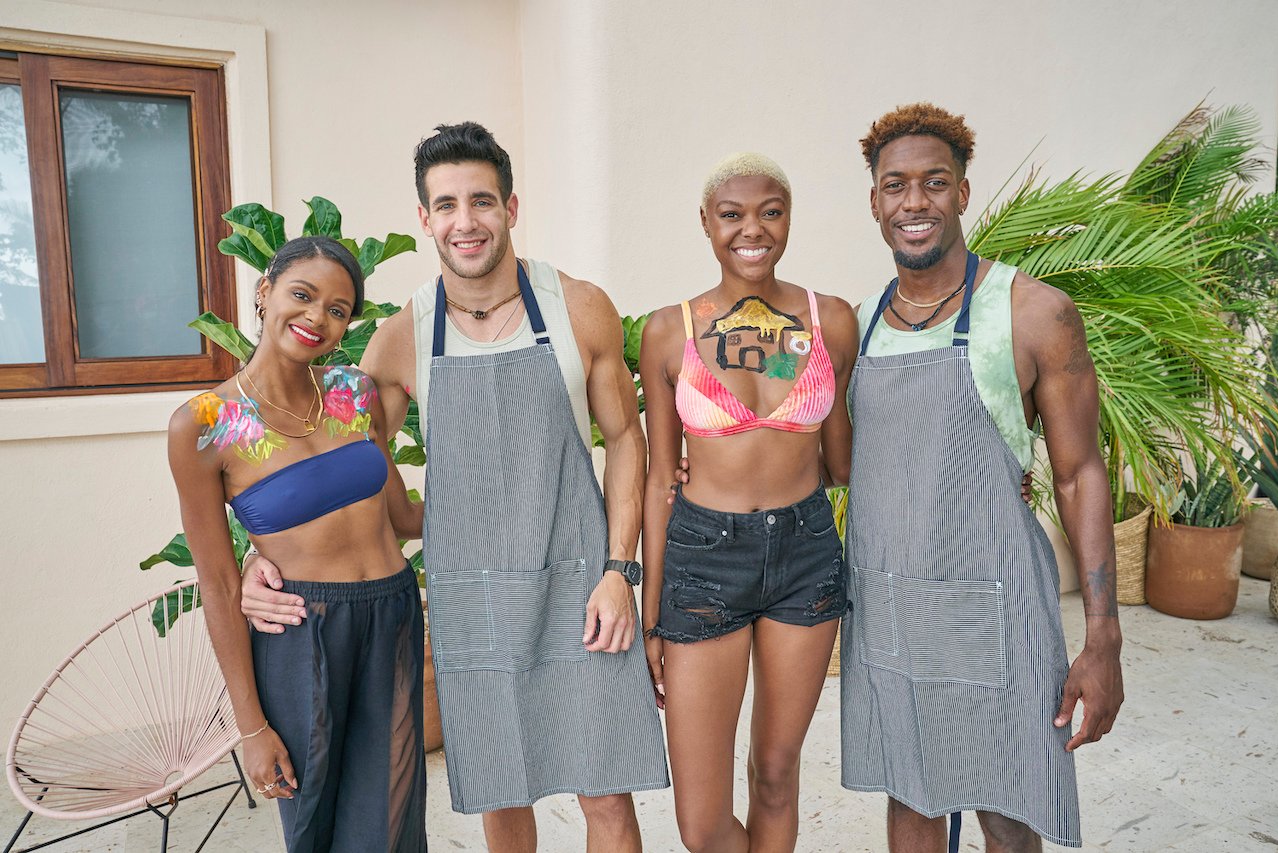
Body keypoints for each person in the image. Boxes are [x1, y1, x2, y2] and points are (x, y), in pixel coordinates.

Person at [240, 122, 669, 853]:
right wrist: (262, 551)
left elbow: (627, 440)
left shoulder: (579, 306)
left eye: (480, 201)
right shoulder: (405, 332)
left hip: (581, 587)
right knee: (504, 803)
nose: (464, 221)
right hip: (475, 598)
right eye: (446, 205)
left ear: (509, 207)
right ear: (425, 219)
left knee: (607, 799)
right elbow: (340, 463)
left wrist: (619, 570)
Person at [840, 103, 1124, 852]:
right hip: (890, 605)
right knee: (910, 794)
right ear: (874, 201)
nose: (914, 202)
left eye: (934, 182)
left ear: (963, 192)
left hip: (995, 607)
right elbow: (826, 452)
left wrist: (1104, 639)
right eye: (895, 185)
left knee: (1008, 802)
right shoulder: (860, 322)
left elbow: (1079, 472)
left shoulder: (1031, 313)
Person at [167, 235, 427, 852]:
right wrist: (251, 727)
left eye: (337, 310)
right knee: (312, 824)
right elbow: (221, 582)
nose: (316, 318)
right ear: (265, 292)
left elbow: (403, 517)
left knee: (391, 818)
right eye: (302, 295)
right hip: (301, 630)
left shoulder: (354, 395)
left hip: (391, 614)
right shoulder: (204, 424)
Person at [638, 153, 859, 853]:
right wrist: (650, 617)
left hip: (805, 550)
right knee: (701, 823)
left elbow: (847, 461)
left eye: (770, 210)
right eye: (732, 214)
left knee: (775, 772)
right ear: (706, 222)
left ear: (788, 217)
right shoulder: (669, 331)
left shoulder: (834, 321)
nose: (752, 228)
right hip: (704, 558)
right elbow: (655, 477)